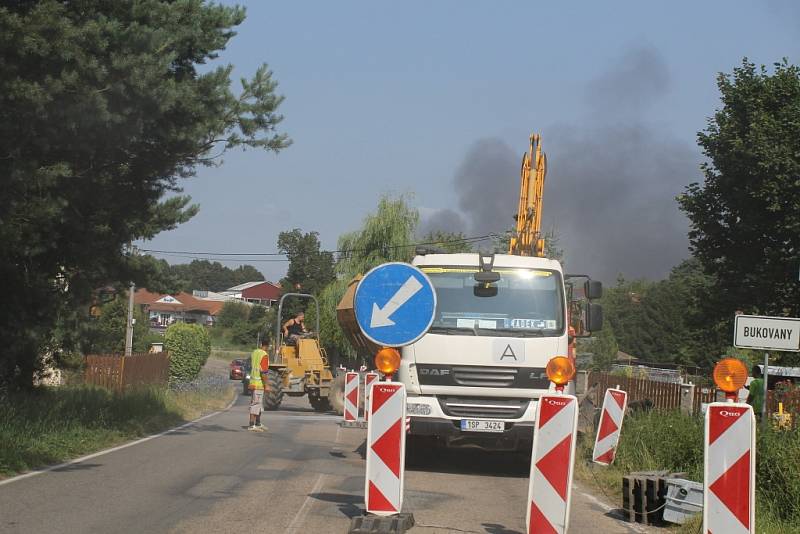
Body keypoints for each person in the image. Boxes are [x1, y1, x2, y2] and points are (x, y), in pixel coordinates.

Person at [248, 340, 270, 432]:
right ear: (268, 346)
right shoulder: (264, 355)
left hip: (253, 382)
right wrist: (267, 385)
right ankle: (251, 425)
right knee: (256, 405)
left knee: (259, 405)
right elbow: (263, 372)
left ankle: (258, 423)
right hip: (259, 384)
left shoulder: (254, 352)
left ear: (260, 344)